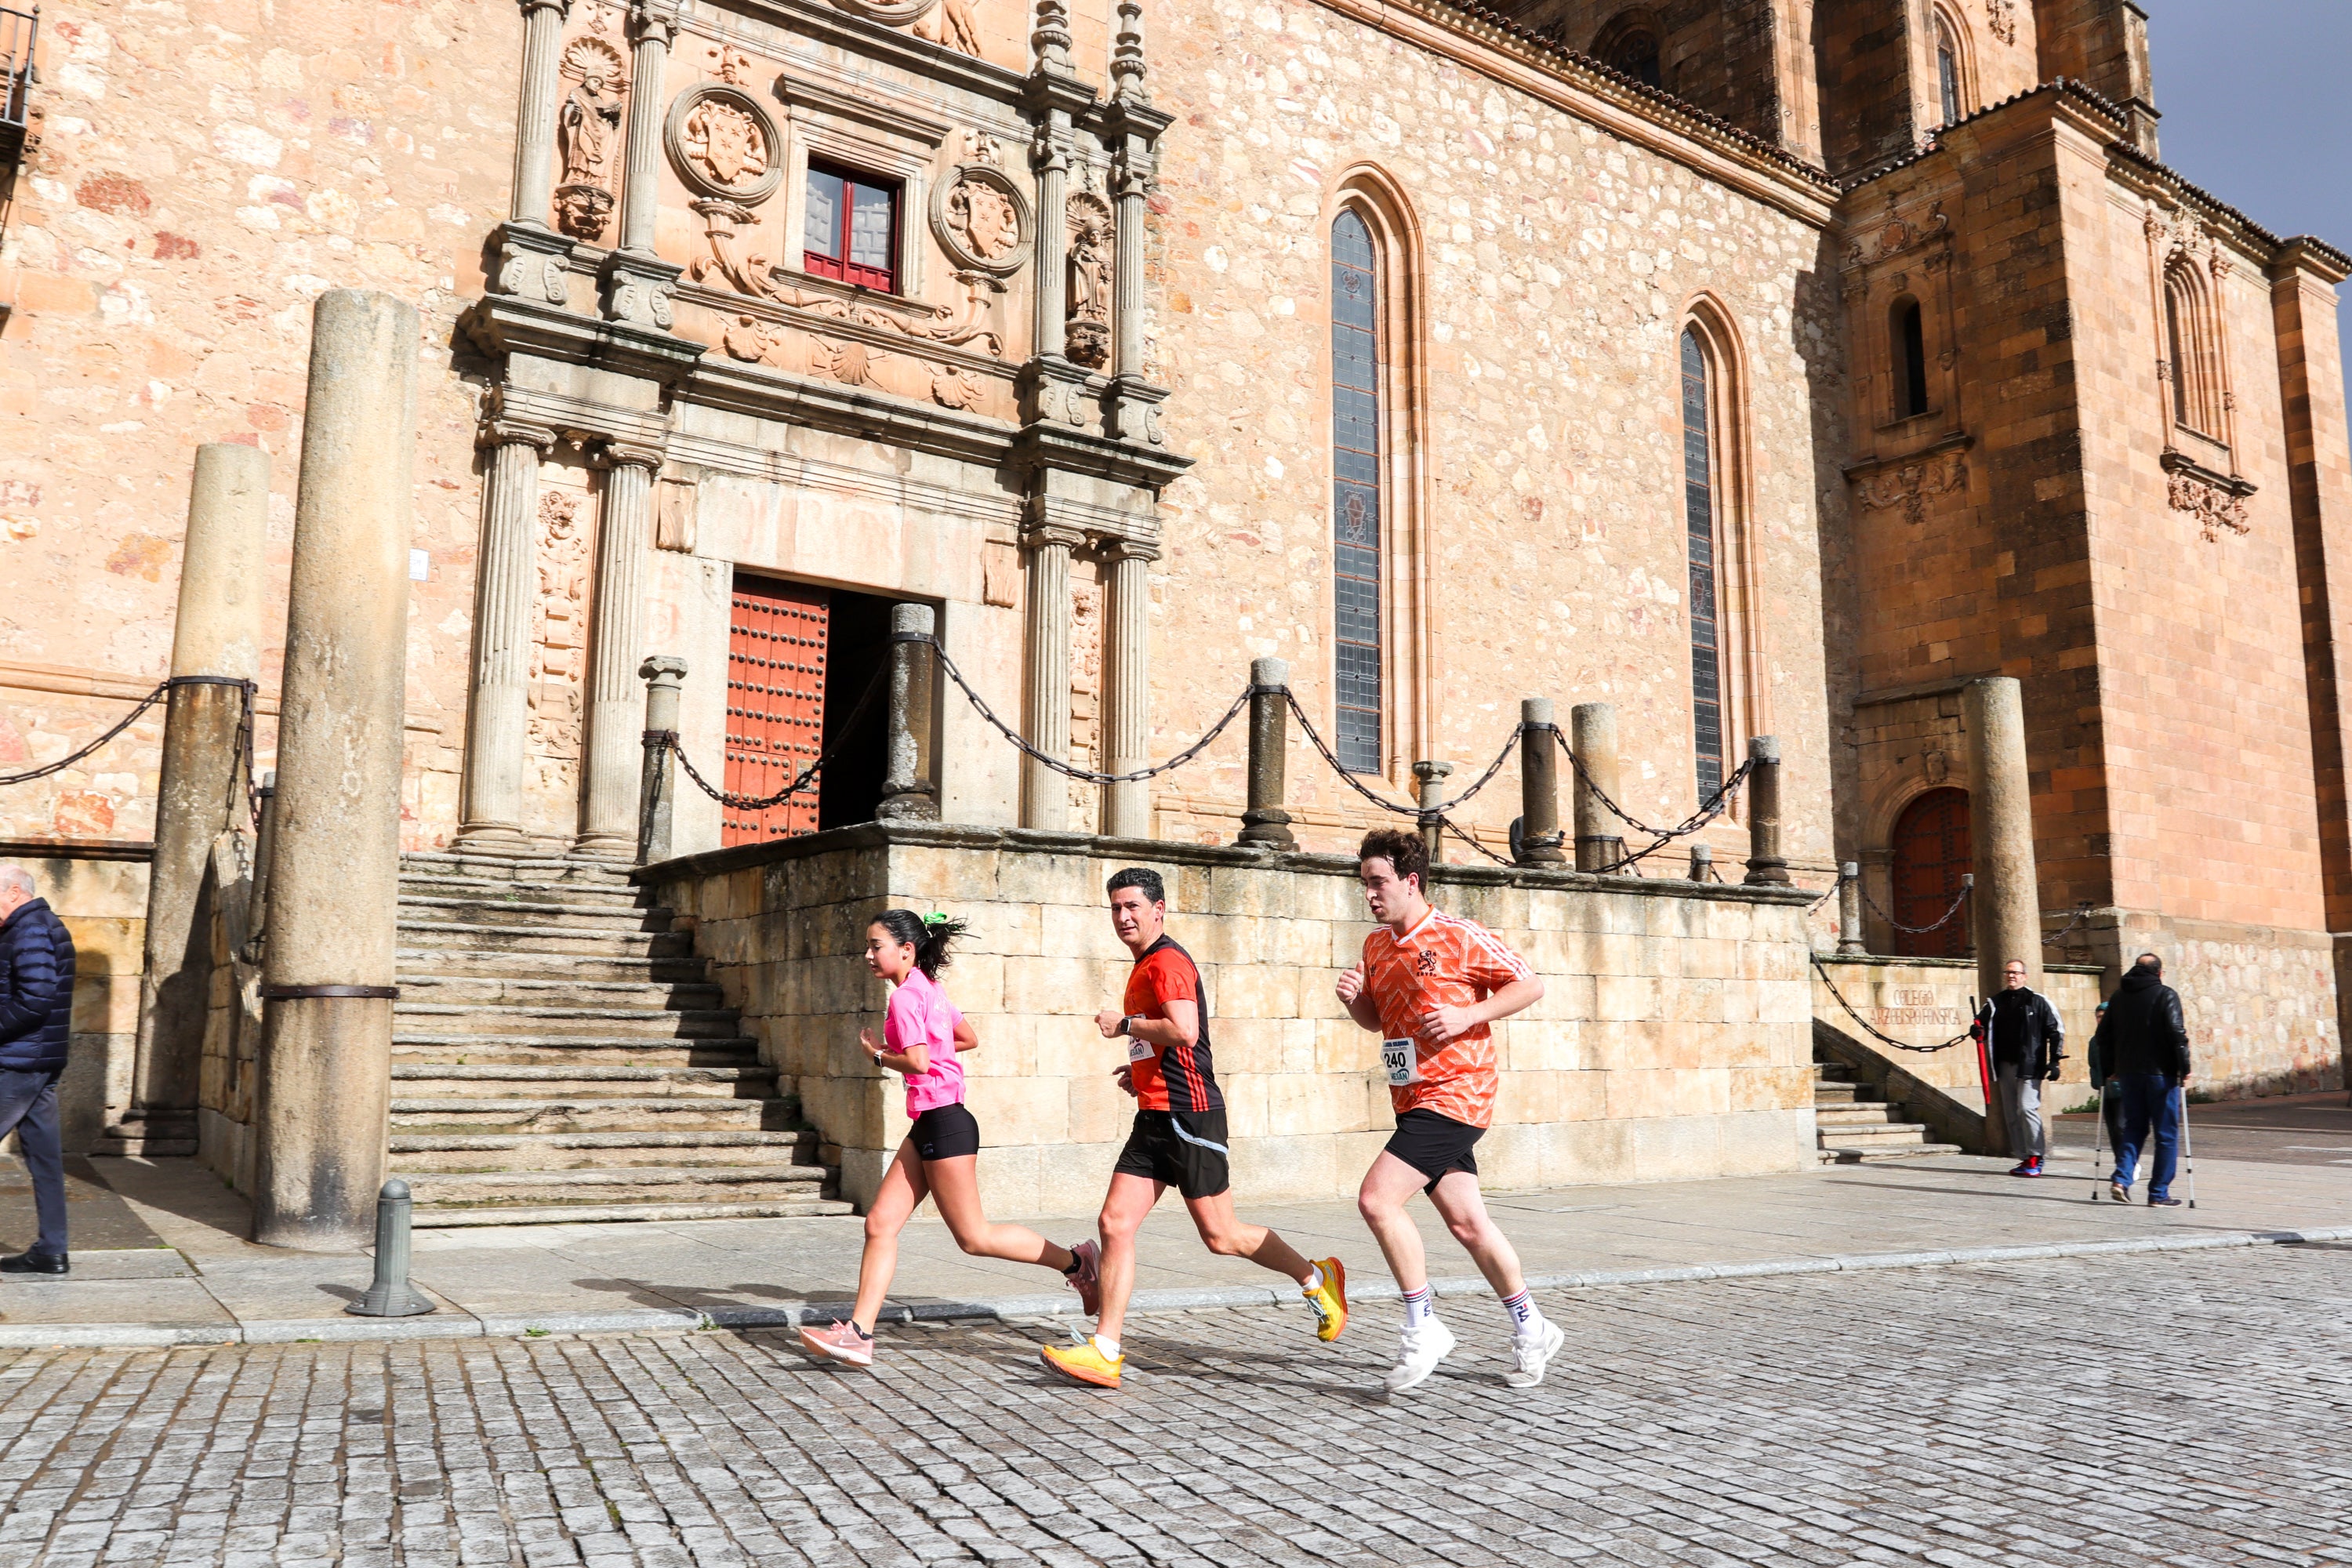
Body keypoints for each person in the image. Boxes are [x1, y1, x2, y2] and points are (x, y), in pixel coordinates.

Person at [1040, 867, 1349, 1389]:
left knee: (1221, 1236)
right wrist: (1139, 1071)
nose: (1123, 917)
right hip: (1155, 1114)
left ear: (1158, 910)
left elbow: (1184, 1030)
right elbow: (1168, 1041)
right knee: (1115, 1223)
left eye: (1132, 907)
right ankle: (1106, 1350)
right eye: (1115, 908)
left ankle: (1320, 1279)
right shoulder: (1145, 964)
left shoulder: (1168, 962)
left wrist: (1125, 1026)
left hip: (1191, 1115)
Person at [800, 909, 1101, 1367]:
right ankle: (859, 1335)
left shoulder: (905, 998)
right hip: (931, 1123)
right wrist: (929, 1053)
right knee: (880, 1224)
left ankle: (1077, 1263)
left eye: (875, 946)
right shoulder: (931, 991)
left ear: (906, 949)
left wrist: (879, 1056)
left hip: (945, 1122)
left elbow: (919, 1062)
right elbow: (967, 1038)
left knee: (974, 1237)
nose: (867, 955)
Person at [1337, 828, 1559, 1394]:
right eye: (1364, 884)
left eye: (1378, 882)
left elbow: (1530, 985)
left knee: (1377, 1198)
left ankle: (1423, 1325)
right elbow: (1379, 1023)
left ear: (1411, 881)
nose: (1369, 894)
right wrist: (1354, 1001)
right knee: (1467, 1222)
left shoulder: (1459, 936)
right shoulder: (1376, 946)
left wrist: (1467, 1017)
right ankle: (1533, 1327)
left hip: (1459, 1093)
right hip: (1411, 1096)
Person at [0, 865, 74, 1274]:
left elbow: (35, 1000)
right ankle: (51, 1249)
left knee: (45, 1158)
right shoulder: (33, 926)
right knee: (45, 1158)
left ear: (14, 892)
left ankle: (52, 1247)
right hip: (36, 1060)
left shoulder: (29, 929)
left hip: (19, 1060)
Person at [2092, 952, 2192, 1207]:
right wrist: (2185, 1069)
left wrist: (2110, 1068)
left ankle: (2122, 1179)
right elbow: (2177, 1033)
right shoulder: (2165, 994)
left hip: (2128, 1074)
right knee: (2166, 1134)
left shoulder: (2118, 996)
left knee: (2135, 1128)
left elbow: (2103, 1036)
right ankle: (2158, 1193)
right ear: (2159, 973)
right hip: (2161, 1075)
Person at [1969, 958, 2065, 1177]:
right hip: (2004, 1065)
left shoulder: (2038, 1001)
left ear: (2025, 976)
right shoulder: (1995, 1003)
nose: (2011, 976)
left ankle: (2036, 1156)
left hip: (2030, 1065)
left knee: (2027, 1108)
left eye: (2016, 972)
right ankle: (2024, 1157)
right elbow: (1980, 1024)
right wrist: (1976, 1031)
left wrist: (2055, 1060)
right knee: (2011, 1113)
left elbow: (2056, 1030)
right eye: (2008, 972)